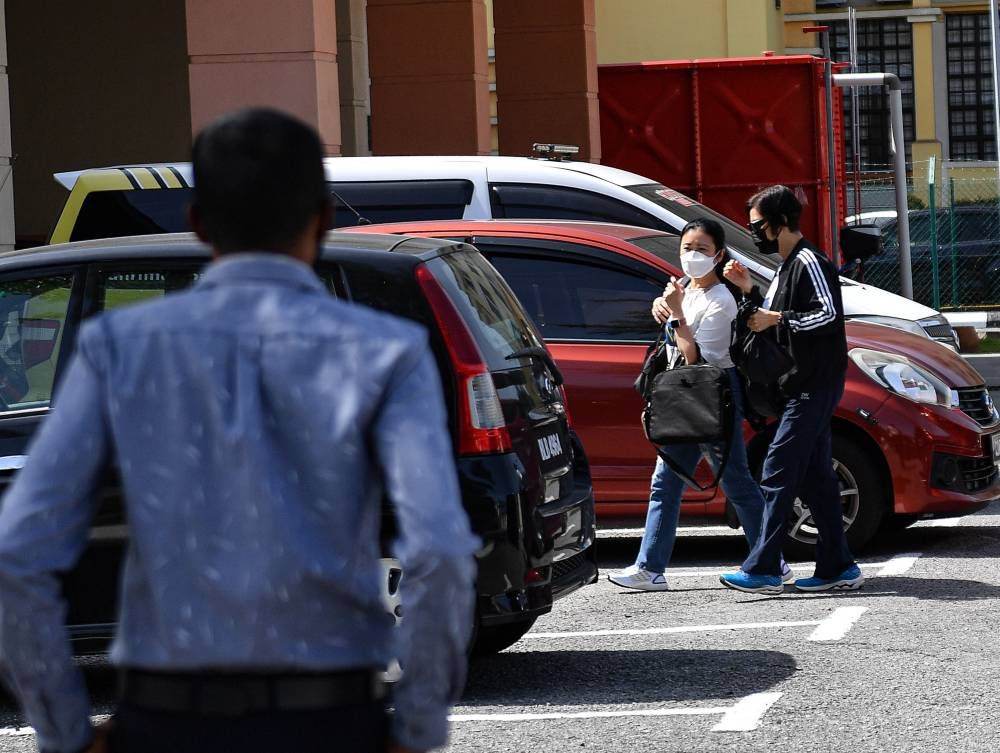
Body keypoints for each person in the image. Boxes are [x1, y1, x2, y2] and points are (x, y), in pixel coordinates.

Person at [0, 108, 478, 753]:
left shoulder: (121, 346)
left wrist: (63, 732)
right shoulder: (384, 350)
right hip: (329, 715)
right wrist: (418, 727)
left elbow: (20, 553)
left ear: (197, 223)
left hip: (167, 716)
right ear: (323, 217)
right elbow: (441, 551)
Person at [608, 218, 789, 591]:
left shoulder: (722, 300)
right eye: (687, 248)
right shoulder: (684, 290)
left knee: (736, 482)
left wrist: (674, 314)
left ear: (719, 255)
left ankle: (774, 561)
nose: (693, 256)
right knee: (666, 482)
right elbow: (675, 342)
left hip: (712, 396)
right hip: (684, 397)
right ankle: (650, 568)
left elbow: (696, 359)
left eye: (702, 250)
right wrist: (664, 307)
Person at [719, 184, 863, 595]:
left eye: (757, 225)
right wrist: (751, 292)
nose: (753, 233)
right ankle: (838, 566)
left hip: (814, 384)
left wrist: (776, 318)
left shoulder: (808, 261)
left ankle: (764, 567)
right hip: (803, 384)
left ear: (780, 222)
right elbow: (780, 316)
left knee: (778, 467)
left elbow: (828, 315)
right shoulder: (787, 265)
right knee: (816, 477)